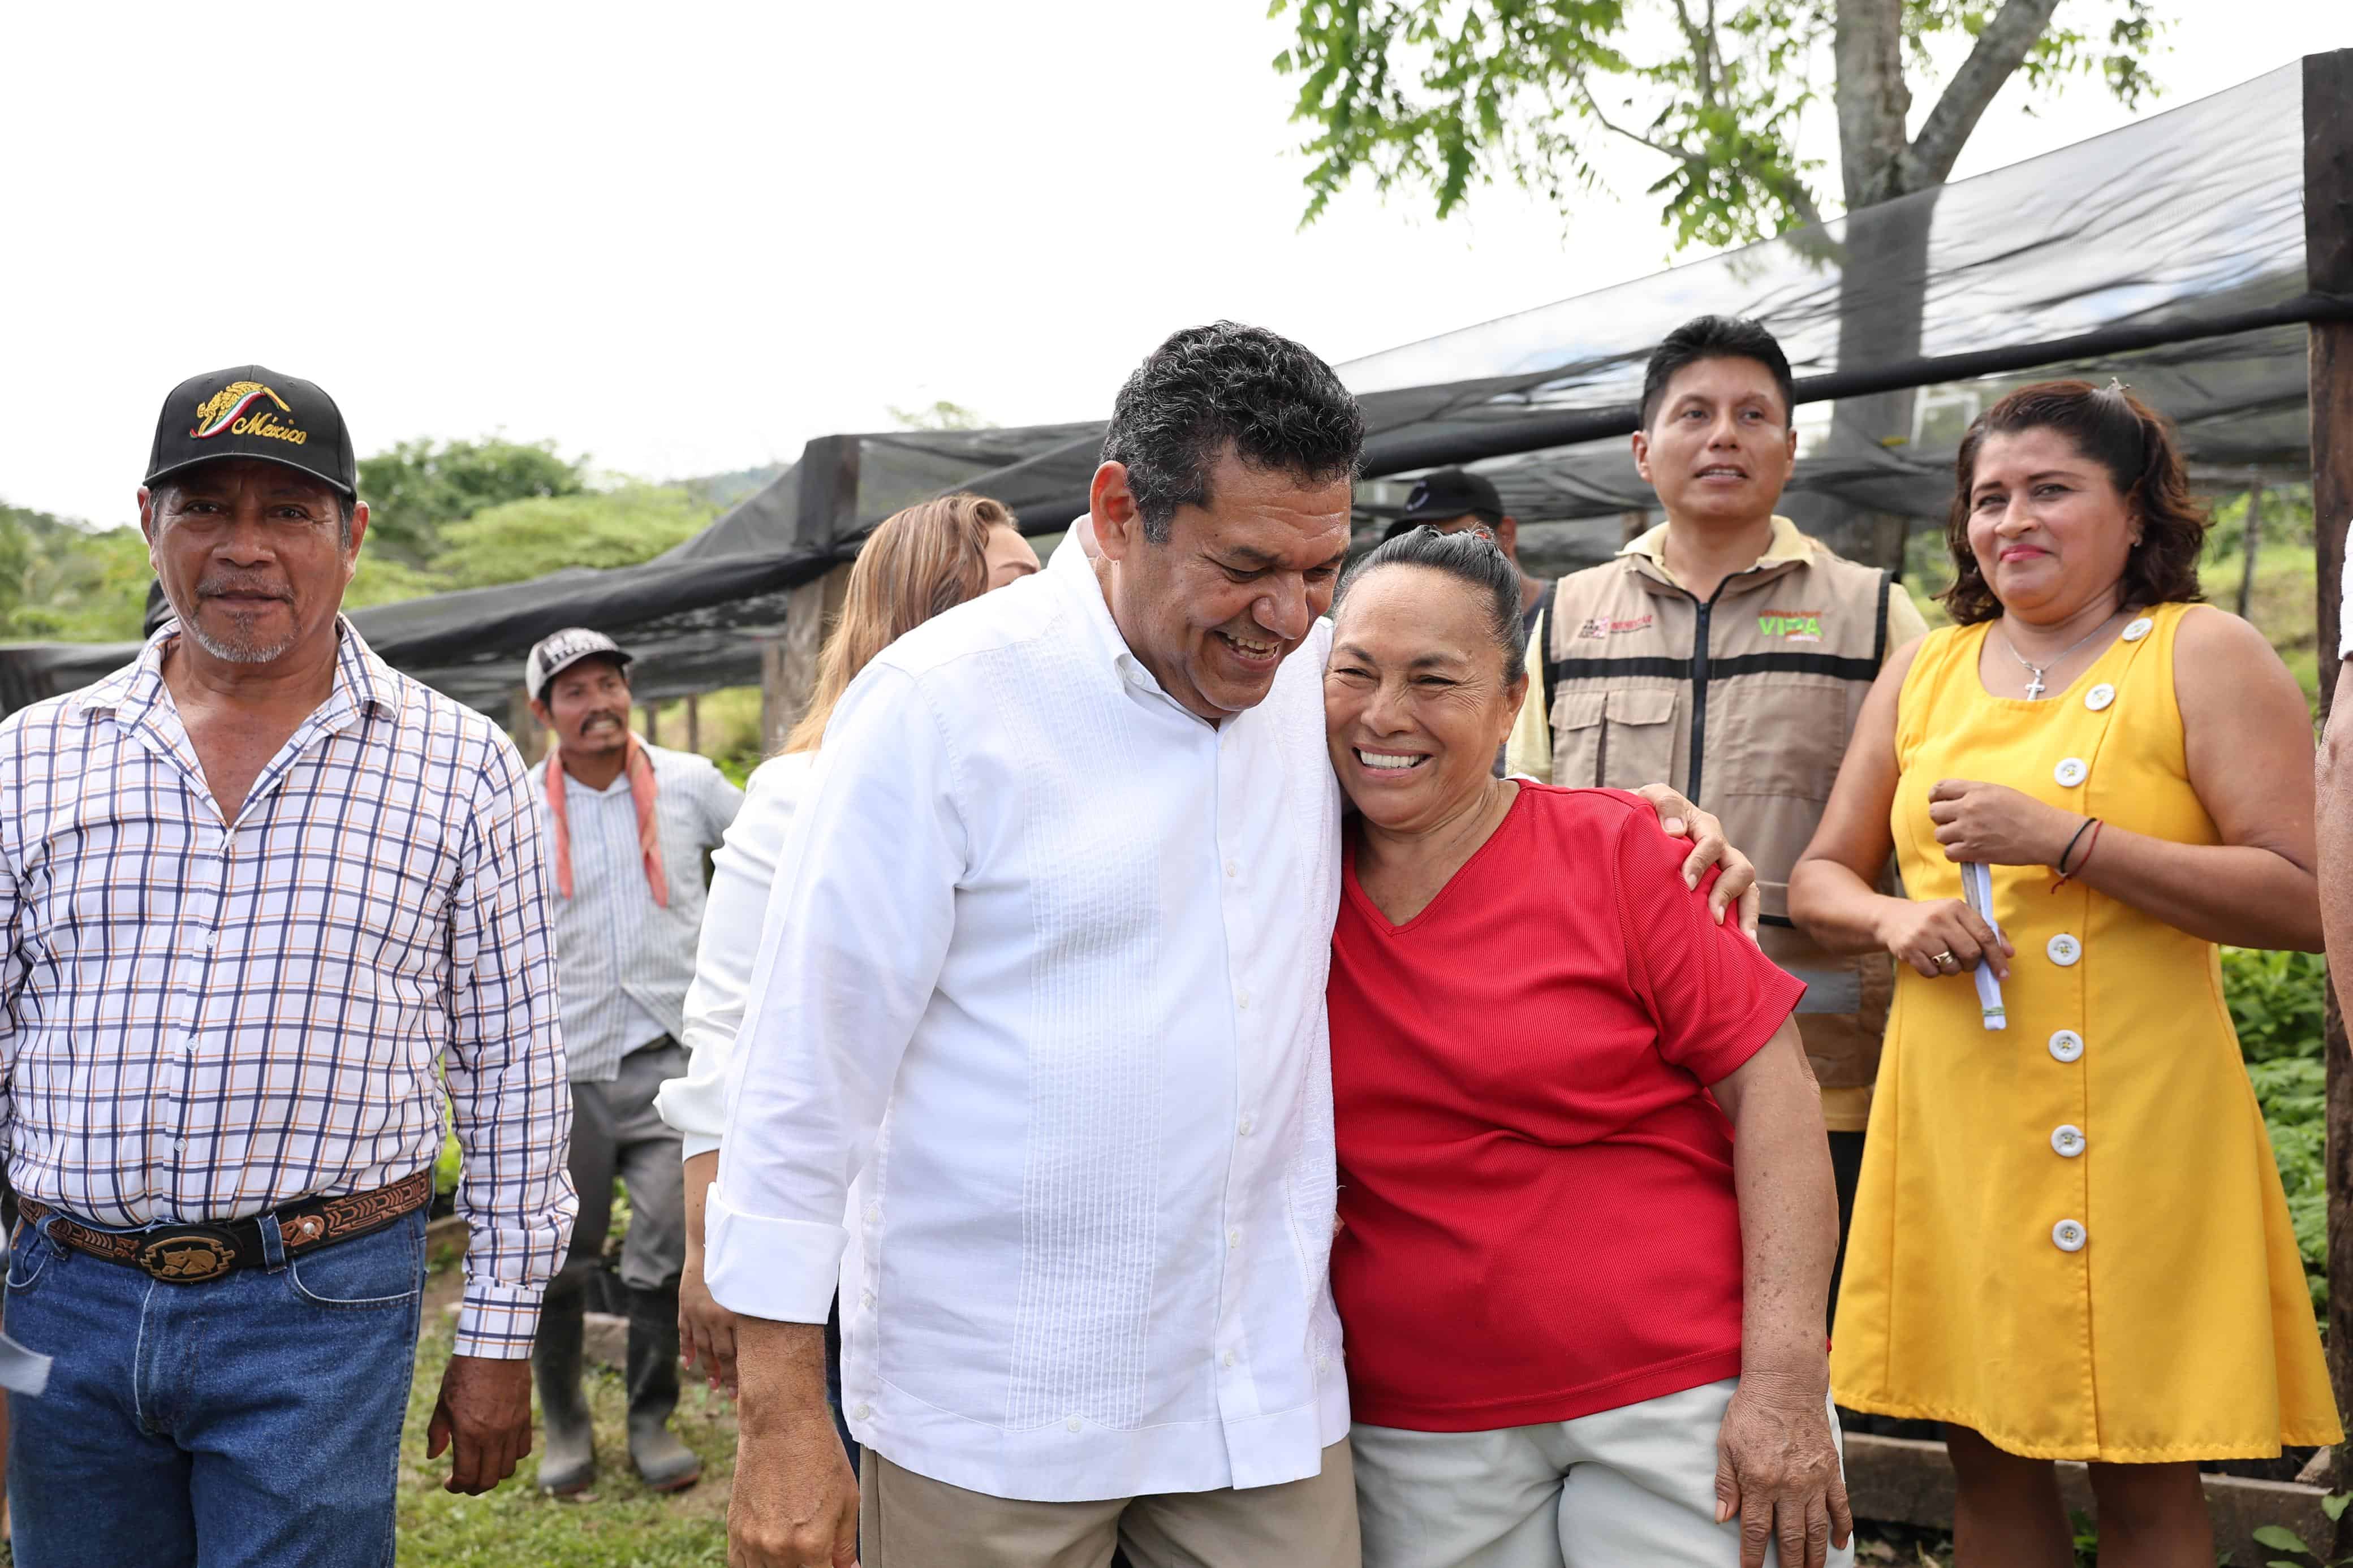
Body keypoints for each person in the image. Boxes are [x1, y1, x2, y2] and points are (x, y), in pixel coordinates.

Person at [705, 322, 1755, 1568]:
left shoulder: (1311, 682)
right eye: (1248, 566)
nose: (1286, 615)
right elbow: (806, 1068)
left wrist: (1640, 823)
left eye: (1320, 568)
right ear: (1119, 512)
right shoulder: (941, 706)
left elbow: (1451, 788)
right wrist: (781, 1412)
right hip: (1000, 1401)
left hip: (1253, 1389)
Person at [0, 366, 575, 1567]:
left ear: (352, 535)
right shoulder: (32, 760)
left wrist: (498, 1332)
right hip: (65, 1295)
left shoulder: (460, 768)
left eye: (290, 511)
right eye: (206, 507)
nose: (245, 547)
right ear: (149, 521)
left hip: (320, 1305)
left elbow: (514, 1068)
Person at [1789, 381, 2339, 1567]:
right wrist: (1895, 917)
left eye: (2051, 490)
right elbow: (1821, 878)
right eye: (1990, 497)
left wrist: (2068, 840)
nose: (2013, 520)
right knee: (1987, 1460)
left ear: (2135, 513)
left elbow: (2308, 897)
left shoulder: (2201, 652)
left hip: (2143, 1117)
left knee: (2147, 1469)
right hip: (1962, 1117)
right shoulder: (1927, 670)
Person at [1325, 526, 1851, 1568]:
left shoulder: (1622, 849)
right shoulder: (1279, 867)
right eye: (1355, 671)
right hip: (1420, 1423)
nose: (1384, 713)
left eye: (1435, 679)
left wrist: (1787, 1380)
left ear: (1512, 703)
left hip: (1683, 1395)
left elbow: (1776, 1095)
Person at [1505, 316, 1929, 1319]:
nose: (1724, 436)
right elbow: (1518, 821)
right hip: (1611, 1066)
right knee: (1633, 1326)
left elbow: (1926, 839)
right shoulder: (1566, 616)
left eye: (1753, 415)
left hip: (1822, 1063)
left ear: (1791, 447)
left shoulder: (1876, 614)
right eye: (1693, 414)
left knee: (1809, 1337)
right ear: (1643, 449)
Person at [654, 494, 1041, 1449]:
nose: (1051, 614)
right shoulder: (805, 791)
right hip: (865, 1228)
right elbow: (729, 1028)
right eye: (1018, 588)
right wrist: (707, 1246)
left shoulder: (1055, 786)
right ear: (931, 612)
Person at [522, 627, 743, 1494]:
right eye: (575, 692)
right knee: (560, 1255)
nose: (599, 704)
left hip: (670, 1062)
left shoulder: (691, 785)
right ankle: (566, 1428)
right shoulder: (518, 807)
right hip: (566, 1067)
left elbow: (777, 855)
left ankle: (652, 1419)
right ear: (545, 712)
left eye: (609, 684)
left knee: (664, 1248)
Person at [1381, 468, 1549, 630]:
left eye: (1460, 539)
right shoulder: (1425, 632)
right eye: (1424, 543)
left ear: (1506, 535)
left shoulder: (1562, 616)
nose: (1440, 556)